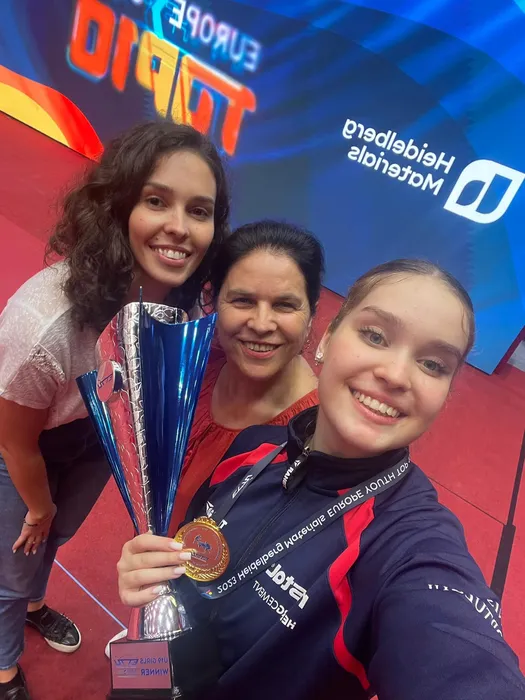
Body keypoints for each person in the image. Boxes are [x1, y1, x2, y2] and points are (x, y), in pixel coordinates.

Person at [118, 259, 525, 700]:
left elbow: (459, 657)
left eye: (432, 364)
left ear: (445, 396)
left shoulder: (409, 544)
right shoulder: (255, 446)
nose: (394, 375)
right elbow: (181, 556)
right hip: (145, 672)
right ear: (327, 339)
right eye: (375, 336)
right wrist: (147, 577)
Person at [0, 120, 229, 700]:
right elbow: (14, 440)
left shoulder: (185, 306)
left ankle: (34, 605)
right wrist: (37, 505)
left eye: (199, 211)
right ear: (118, 207)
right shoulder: (44, 321)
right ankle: (3, 666)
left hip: (101, 435)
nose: (180, 227)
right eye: (156, 201)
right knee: (14, 558)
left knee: (59, 534)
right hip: (25, 445)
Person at [171, 220, 323, 529]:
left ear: (311, 315)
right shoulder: (192, 365)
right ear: (213, 301)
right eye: (243, 300)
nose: (261, 324)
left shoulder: (319, 435)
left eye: (284, 305)